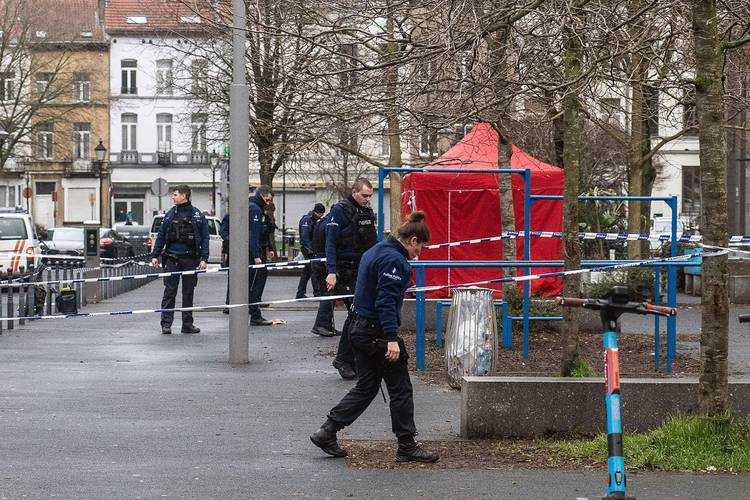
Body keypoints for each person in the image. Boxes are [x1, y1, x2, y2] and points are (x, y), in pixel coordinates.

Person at [310, 211, 439, 464]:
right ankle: (406, 445)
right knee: (400, 388)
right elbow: (386, 301)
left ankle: (327, 431)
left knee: (366, 387)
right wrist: (391, 338)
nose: (419, 253)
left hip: (358, 328)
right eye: (420, 247)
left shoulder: (375, 250)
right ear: (413, 240)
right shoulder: (395, 261)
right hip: (376, 332)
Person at [316, 178, 378, 379]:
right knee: (356, 314)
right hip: (345, 270)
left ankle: (349, 359)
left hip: (362, 268)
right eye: (364, 195)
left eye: (370, 196)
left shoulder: (365, 211)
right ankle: (344, 360)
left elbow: (371, 242)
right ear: (354, 191)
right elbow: (331, 244)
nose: (367, 200)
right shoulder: (340, 211)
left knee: (359, 316)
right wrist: (331, 271)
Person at [150, 185, 209, 335]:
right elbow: (161, 236)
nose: (173, 197)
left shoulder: (197, 215)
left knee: (188, 293)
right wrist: (155, 255)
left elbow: (204, 238)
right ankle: (166, 324)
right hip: (172, 259)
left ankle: (187, 324)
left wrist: (204, 258)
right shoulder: (170, 214)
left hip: (190, 259)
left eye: (175, 194)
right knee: (169, 292)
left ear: (184, 196)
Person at [248, 185, 274, 325]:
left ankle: (254, 312)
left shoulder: (249, 205)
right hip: (253, 253)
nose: (269, 203)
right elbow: (253, 234)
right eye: (268, 200)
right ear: (263, 196)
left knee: (249, 284)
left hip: (249, 251)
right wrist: (256, 255)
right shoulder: (255, 209)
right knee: (254, 285)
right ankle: (255, 315)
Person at [295, 203, 325, 300]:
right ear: (317, 212)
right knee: (313, 271)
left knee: (307, 272)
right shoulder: (307, 220)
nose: (322, 216)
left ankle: (300, 292)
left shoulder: (314, 220)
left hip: (311, 249)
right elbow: (305, 236)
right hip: (308, 250)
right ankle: (317, 292)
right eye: (321, 214)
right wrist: (311, 248)